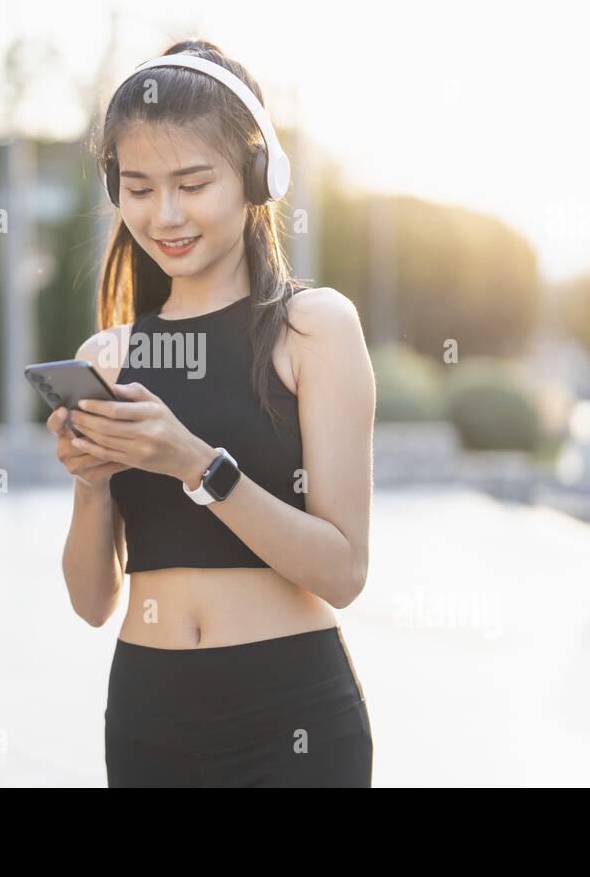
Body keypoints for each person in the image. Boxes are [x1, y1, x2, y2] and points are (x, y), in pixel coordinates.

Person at [49, 39, 376, 787]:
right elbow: (92, 601)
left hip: (292, 717)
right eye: (137, 188)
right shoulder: (106, 356)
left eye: (193, 183)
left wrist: (197, 465)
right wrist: (91, 482)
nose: (165, 214)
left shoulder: (312, 328)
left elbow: (344, 572)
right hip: (148, 717)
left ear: (257, 177)